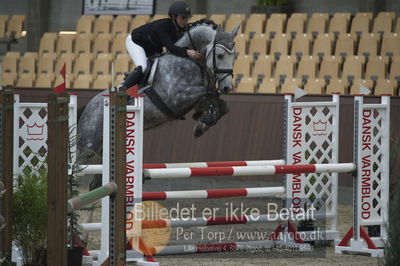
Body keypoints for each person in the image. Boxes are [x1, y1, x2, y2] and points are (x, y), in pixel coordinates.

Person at [123, 1, 202, 88]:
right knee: (143, 67)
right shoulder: (162, 26)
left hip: (151, 48)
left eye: (187, 18)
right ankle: (121, 91)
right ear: (173, 17)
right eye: (183, 17)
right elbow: (170, 47)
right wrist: (187, 52)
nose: (185, 21)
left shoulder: (180, 28)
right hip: (136, 42)